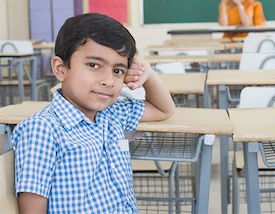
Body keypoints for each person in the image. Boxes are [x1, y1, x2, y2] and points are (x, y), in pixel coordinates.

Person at [12, 13, 176, 214]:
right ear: (60, 68)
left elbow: (164, 109)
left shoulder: (113, 113)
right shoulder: (42, 129)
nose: (108, 80)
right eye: (93, 65)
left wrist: (146, 74)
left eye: (118, 70)